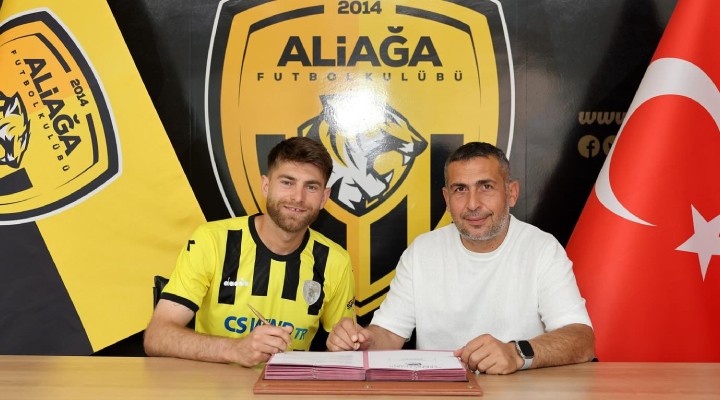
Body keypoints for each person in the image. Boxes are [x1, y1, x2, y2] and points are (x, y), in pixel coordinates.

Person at [327, 141, 594, 374]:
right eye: (460, 189)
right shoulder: (422, 251)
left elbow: (582, 340)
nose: (472, 204)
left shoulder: (542, 249)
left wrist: (516, 353)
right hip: (440, 393)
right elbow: (387, 334)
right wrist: (360, 341)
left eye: (486, 186)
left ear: (511, 193)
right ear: (447, 198)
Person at [145, 136, 356, 367]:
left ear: (324, 197)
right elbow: (157, 337)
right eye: (287, 182)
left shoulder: (336, 261)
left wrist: (349, 343)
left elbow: (345, 348)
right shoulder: (212, 240)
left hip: (288, 385)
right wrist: (235, 349)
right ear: (266, 186)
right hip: (213, 385)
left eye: (311, 187)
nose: (298, 197)